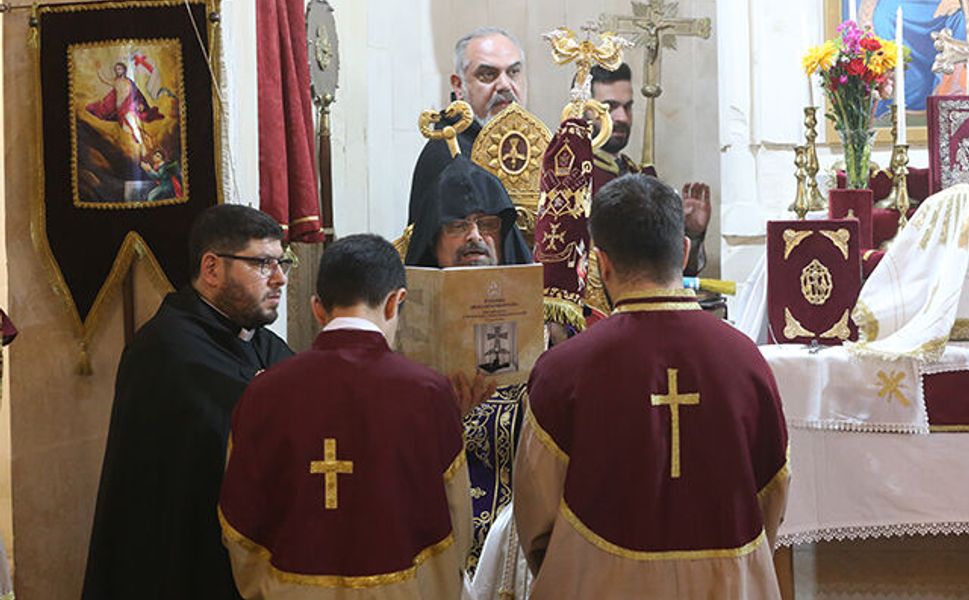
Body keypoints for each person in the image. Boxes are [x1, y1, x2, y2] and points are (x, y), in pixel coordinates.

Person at [514, 174, 789, 599]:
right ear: (683, 251)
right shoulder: (747, 362)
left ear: (601, 263)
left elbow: (536, 519)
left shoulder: (560, 372)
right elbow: (772, 493)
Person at [219, 234, 471, 599]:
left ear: (317, 309)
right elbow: (455, 518)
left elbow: (239, 520)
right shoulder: (429, 391)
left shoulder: (262, 392)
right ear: (395, 302)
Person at [82, 204, 294, 600]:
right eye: (263, 263)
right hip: (186, 560)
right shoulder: (165, 350)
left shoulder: (266, 344)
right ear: (212, 268)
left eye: (282, 262)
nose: (279, 278)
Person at [404, 154, 532, 574]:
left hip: (513, 546)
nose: (475, 236)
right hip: (429, 540)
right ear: (433, 238)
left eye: (487, 224)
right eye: (457, 225)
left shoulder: (547, 328)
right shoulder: (397, 326)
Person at [588, 63, 711, 275]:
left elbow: (671, 276)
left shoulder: (637, 175)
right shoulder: (575, 179)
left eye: (627, 107)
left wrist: (690, 232)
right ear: (585, 111)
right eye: (609, 108)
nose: (622, 117)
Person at [408, 27, 527, 224]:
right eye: (488, 74)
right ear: (458, 86)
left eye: (513, 72)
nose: (505, 85)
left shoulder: (530, 144)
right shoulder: (448, 155)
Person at [87, 61, 163, 147]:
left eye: (120, 69)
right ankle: (145, 137)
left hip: (128, 106)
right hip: (119, 108)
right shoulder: (115, 81)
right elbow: (104, 79)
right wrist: (98, 69)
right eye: (116, 69)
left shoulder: (128, 82)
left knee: (132, 124)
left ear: (124, 70)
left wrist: (140, 104)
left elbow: (137, 94)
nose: (118, 71)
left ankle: (142, 144)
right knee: (124, 127)